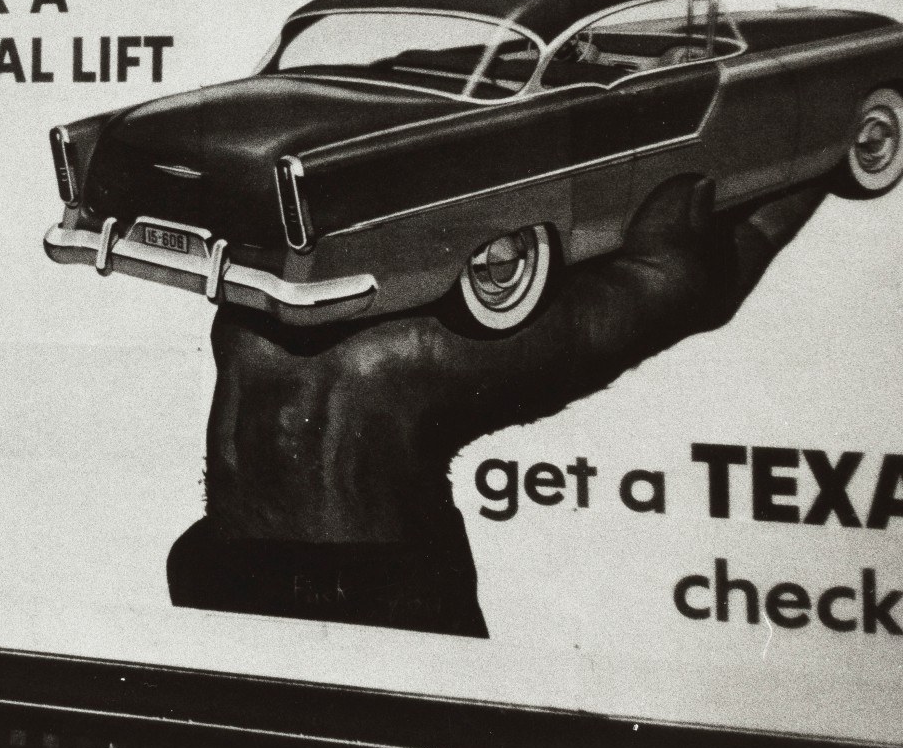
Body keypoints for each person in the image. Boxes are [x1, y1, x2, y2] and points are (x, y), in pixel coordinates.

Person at [166, 176, 828, 637]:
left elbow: (675, 283)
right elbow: (680, 283)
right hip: (360, 608)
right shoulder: (413, 348)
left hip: (269, 589)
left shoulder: (294, 302)